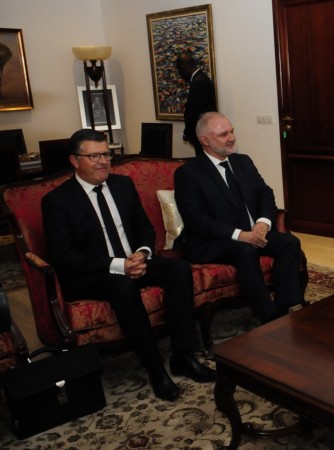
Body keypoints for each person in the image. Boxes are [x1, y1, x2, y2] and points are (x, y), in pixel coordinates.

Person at [42, 129, 216, 402]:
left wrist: (143, 253)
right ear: (75, 161)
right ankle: (155, 368)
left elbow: (144, 228)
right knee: (123, 286)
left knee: (178, 269)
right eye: (94, 156)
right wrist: (119, 265)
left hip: (134, 261)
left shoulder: (123, 185)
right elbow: (65, 256)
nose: (103, 161)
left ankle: (183, 355)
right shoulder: (57, 201)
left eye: (107, 154)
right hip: (94, 273)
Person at [173, 112, 304, 323]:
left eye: (231, 131)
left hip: (252, 233)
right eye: (223, 134)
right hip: (213, 241)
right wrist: (240, 235)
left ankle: (286, 304)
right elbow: (197, 220)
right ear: (205, 140)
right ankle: (268, 317)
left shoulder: (243, 162)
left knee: (289, 242)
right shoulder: (189, 173)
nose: (231, 137)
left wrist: (263, 223)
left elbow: (265, 193)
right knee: (244, 250)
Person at [175, 52, 217, 155]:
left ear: (184, 67)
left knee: (204, 165)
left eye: (180, 71)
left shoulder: (198, 82)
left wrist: (187, 132)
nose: (180, 75)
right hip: (205, 132)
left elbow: (194, 112)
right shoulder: (202, 78)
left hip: (201, 133)